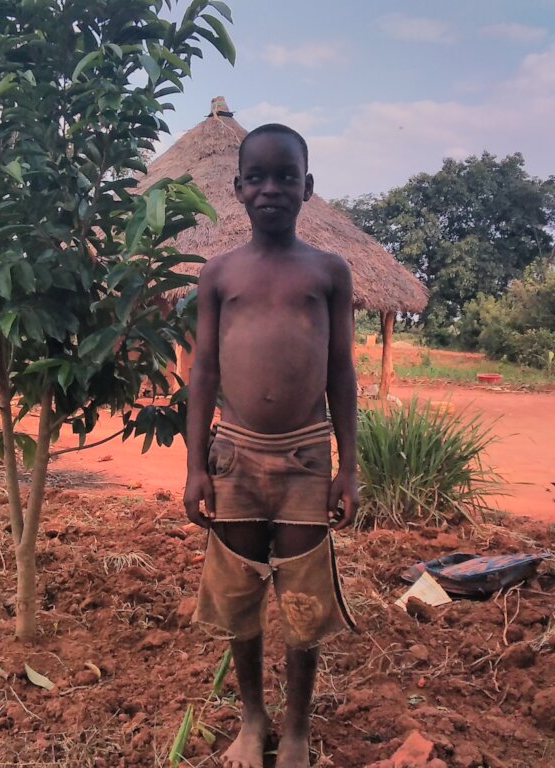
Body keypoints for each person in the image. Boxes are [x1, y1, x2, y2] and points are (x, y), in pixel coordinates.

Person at [183, 123, 358, 768]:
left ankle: (297, 730)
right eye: (256, 177)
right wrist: (195, 465)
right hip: (233, 453)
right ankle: (253, 720)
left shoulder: (328, 271)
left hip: (307, 456)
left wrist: (348, 467)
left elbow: (341, 371)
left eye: (286, 177)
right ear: (237, 188)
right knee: (238, 595)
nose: (271, 189)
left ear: (307, 188)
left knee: (304, 598)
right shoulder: (219, 273)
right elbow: (204, 370)